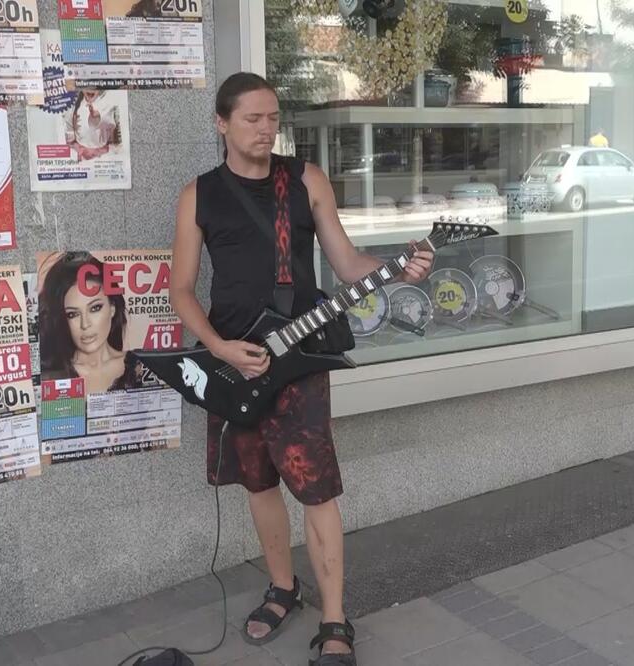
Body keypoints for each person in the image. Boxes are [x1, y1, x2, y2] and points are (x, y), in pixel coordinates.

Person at [169, 72, 433, 666]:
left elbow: (344, 262)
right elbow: (181, 290)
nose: (266, 130)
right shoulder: (199, 196)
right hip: (235, 364)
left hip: (301, 359)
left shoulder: (305, 180)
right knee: (258, 483)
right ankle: (283, 588)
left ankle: (335, 618)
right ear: (222, 123)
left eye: (272, 118)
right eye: (251, 119)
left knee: (315, 489)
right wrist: (216, 346)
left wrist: (397, 267)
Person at [39, 251, 131, 393]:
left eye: (95, 308)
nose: (85, 324)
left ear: (112, 308)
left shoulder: (139, 368)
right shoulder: (51, 377)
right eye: (72, 314)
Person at [64, 91, 123, 163]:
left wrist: (98, 116)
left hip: (104, 156)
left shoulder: (109, 104)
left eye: (94, 86)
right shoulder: (74, 107)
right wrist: (80, 149)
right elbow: (70, 138)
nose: (90, 89)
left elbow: (115, 137)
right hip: (82, 156)